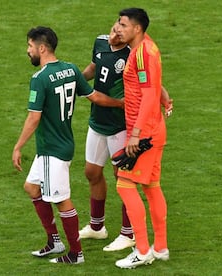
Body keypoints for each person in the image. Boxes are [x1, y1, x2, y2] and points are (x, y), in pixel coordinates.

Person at [12, 26, 124, 265]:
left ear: (42, 48)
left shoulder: (40, 79)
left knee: (62, 199)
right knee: (32, 187)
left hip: (54, 149)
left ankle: (76, 253)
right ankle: (55, 241)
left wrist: (18, 146)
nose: (27, 51)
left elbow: (34, 117)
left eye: (30, 46)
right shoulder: (71, 69)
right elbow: (94, 96)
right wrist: (119, 103)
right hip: (57, 145)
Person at [78, 22, 173, 252]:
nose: (113, 36)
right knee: (92, 172)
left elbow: (152, 83)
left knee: (124, 179)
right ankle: (97, 226)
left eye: (119, 34)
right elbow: (94, 67)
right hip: (97, 121)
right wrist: (77, 80)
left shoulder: (133, 54)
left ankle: (128, 233)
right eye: (113, 30)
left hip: (121, 125)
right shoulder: (100, 41)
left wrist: (165, 98)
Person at [113, 8, 170, 269]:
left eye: (123, 24)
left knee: (124, 185)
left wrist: (136, 134)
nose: (118, 28)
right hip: (153, 129)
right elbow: (152, 85)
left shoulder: (142, 52)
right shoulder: (147, 48)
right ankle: (160, 247)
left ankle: (143, 249)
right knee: (151, 186)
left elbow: (147, 94)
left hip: (144, 132)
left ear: (137, 28)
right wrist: (164, 96)